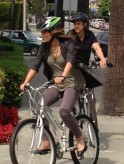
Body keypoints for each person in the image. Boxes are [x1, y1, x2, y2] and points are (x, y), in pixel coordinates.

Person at [20, 17, 87, 157]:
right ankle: (47, 141)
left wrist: (63, 76)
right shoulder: (44, 47)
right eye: (42, 32)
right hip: (55, 83)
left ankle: (80, 139)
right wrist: (25, 82)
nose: (42, 35)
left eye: (45, 32)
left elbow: (70, 61)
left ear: (54, 32)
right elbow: (35, 66)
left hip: (72, 81)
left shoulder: (68, 43)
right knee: (39, 108)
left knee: (64, 111)